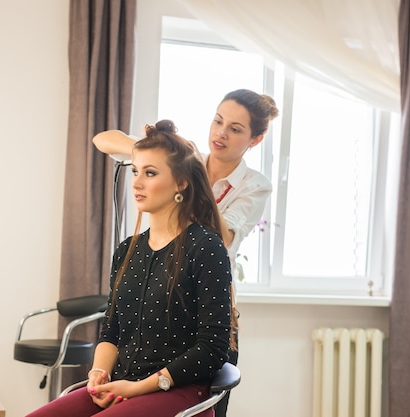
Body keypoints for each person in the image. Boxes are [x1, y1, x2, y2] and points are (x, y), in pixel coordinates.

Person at [26, 120, 235, 417]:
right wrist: (100, 372)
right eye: (135, 171)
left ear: (181, 183)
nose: (136, 182)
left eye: (150, 173)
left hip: (180, 390)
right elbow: (111, 330)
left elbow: (213, 349)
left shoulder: (206, 248)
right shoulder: (128, 249)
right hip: (125, 382)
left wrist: (138, 388)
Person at [92, 89, 279, 417]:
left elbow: (225, 235)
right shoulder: (178, 161)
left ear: (255, 140)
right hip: (160, 287)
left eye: (235, 129)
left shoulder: (254, 185)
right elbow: (103, 140)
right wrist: (153, 155)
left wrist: (190, 178)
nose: (220, 133)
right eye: (218, 121)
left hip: (202, 298)